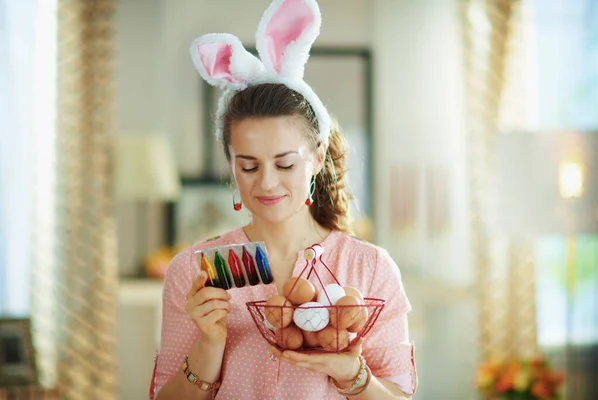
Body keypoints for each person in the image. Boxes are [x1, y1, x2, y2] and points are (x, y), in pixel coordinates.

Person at [150, 1, 417, 399]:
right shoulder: (193, 272)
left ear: (317, 158)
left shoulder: (369, 269)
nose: (267, 184)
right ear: (230, 163)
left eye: (285, 163)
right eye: (249, 166)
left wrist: (353, 375)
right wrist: (209, 344)